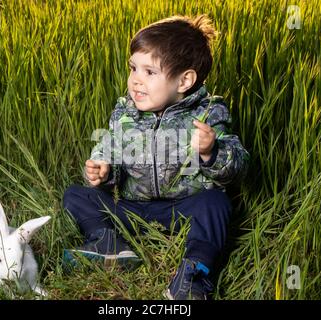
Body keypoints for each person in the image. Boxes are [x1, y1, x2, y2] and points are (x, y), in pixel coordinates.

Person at [63, 14, 249, 300]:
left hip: (184, 209)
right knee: (76, 195)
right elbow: (110, 150)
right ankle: (108, 242)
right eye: (133, 68)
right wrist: (104, 171)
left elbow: (238, 165)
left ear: (184, 80)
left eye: (150, 72)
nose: (136, 81)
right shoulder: (125, 113)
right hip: (134, 208)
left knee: (217, 203)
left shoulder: (208, 113)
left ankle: (194, 273)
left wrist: (212, 152)